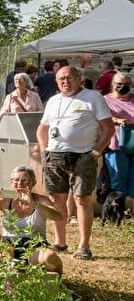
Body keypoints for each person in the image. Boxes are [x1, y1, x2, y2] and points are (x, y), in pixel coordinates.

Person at [32, 64, 114, 259]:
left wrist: (95, 152)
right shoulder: (53, 101)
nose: (65, 82)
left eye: (69, 77)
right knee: (56, 199)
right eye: (61, 79)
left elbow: (108, 128)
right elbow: (42, 128)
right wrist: (44, 150)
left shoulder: (93, 97)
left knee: (81, 199)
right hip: (55, 155)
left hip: (83, 155)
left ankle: (84, 246)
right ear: (56, 82)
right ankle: (60, 242)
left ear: (79, 79)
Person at [0, 166, 63, 275]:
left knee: (50, 257)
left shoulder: (40, 200)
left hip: (35, 246)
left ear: (33, 183)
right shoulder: (5, 200)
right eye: (16, 180)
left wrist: (33, 204)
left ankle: (59, 281)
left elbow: (58, 216)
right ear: (11, 183)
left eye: (24, 180)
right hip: (8, 247)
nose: (19, 183)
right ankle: (9, 265)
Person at [103, 71, 134, 216]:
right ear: (113, 84)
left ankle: (131, 211)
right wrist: (117, 120)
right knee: (118, 179)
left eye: (126, 84)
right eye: (119, 84)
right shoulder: (105, 100)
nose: (122, 86)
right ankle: (117, 213)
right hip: (115, 145)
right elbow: (100, 117)